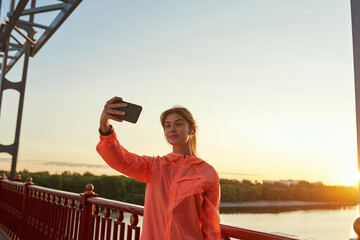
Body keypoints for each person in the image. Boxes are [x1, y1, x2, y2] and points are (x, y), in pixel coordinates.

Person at [96, 96, 221, 240]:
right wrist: (104, 128)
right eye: (167, 125)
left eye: (178, 124)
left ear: (191, 130)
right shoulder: (154, 166)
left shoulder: (208, 173)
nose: (172, 129)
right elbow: (120, 159)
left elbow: (211, 225)